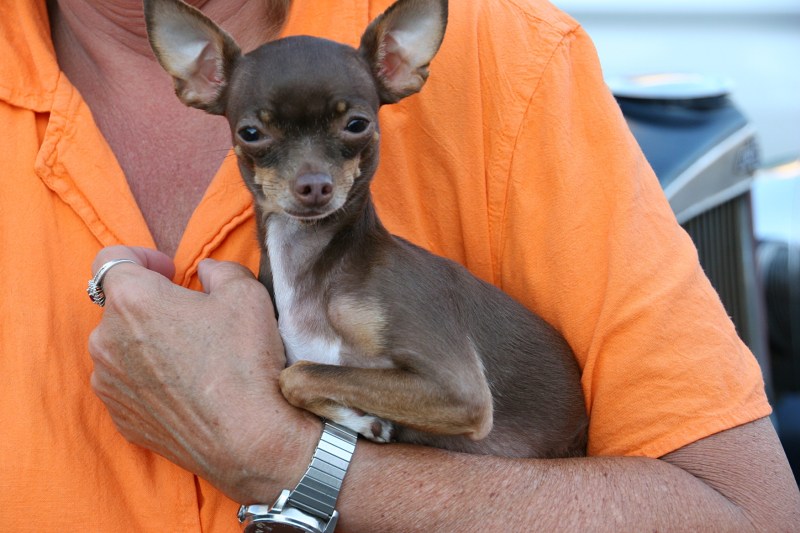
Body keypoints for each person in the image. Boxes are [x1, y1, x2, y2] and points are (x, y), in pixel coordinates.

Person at [1, 0, 798, 531]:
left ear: (400, 71)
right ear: (201, 79)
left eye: (349, 128)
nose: (311, 176)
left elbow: (748, 515)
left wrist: (281, 453)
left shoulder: (507, 55)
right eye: (259, 137)